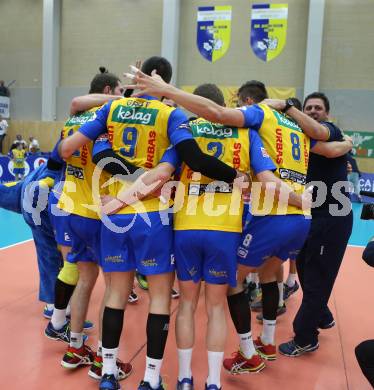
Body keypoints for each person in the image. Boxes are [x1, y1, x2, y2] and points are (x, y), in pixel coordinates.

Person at [123, 72, 353, 366]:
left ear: (246, 103)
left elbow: (216, 114)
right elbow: (331, 148)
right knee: (271, 273)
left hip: (270, 213)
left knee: (230, 282)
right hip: (300, 220)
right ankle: (267, 341)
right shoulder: (294, 126)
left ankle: (247, 352)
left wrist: (168, 90)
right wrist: (345, 145)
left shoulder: (253, 122)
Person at [59, 56, 251, 390]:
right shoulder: (171, 115)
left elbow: (67, 150)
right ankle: (150, 378)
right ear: (164, 80)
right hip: (152, 216)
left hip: (113, 216)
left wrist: (118, 181)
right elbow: (184, 162)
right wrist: (236, 176)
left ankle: (107, 374)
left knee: (116, 294)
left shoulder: (112, 111)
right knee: (160, 298)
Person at [172, 83, 277, 389]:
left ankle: (184, 378)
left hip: (187, 225)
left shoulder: (185, 127)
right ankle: (213, 382)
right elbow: (265, 177)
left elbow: (164, 169)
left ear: (196, 105)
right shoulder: (246, 134)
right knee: (216, 306)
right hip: (226, 229)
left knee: (187, 305)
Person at [277, 92, 354, 356]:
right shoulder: (300, 142)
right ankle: (322, 315)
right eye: (308, 107)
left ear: (327, 113)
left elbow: (326, 143)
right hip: (313, 216)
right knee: (306, 269)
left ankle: (305, 337)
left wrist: (288, 107)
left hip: (332, 217)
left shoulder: (329, 131)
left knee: (317, 279)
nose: (311, 111)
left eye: (317, 108)